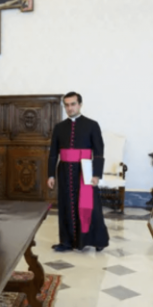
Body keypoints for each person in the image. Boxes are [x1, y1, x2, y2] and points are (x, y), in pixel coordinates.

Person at [47, 92, 109, 252]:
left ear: (80, 105)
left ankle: (98, 240)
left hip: (85, 171)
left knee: (90, 206)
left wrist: (96, 174)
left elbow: (99, 152)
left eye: (73, 104)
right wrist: (51, 174)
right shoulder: (59, 127)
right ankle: (66, 242)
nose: (70, 108)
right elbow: (53, 153)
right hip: (64, 171)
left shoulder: (92, 125)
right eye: (67, 105)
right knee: (66, 205)